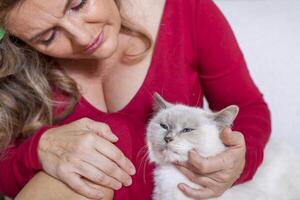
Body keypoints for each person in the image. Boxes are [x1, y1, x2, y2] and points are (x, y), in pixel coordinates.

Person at [0, 0, 271, 199]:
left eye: (79, 4)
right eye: (47, 37)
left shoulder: (187, 10)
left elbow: (248, 108)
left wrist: (239, 162)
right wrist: (37, 149)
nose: (83, 37)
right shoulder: (12, 63)